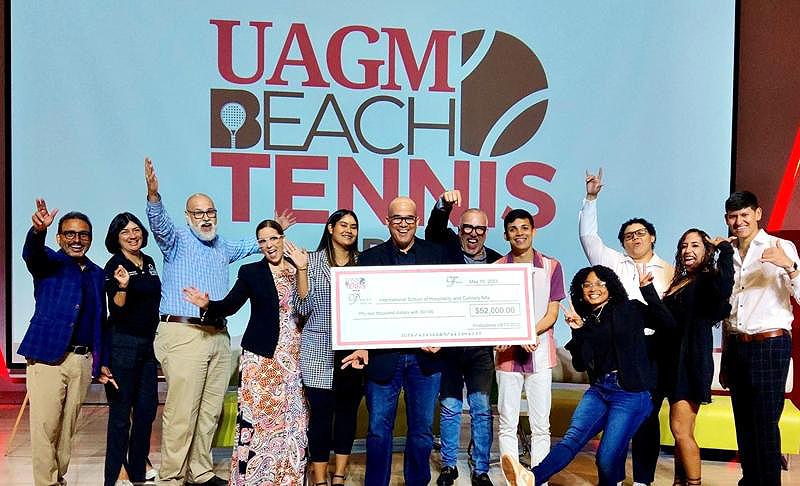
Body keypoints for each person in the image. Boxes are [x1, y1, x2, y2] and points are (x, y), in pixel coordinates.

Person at [144, 158, 293, 486]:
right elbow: (159, 225)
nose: (206, 217)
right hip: (183, 332)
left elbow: (257, 244)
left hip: (217, 334)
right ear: (188, 217)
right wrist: (154, 197)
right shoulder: (176, 240)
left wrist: (276, 230)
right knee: (183, 413)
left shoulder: (222, 245)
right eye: (199, 212)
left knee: (210, 411)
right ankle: (171, 478)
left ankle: (201, 472)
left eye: (210, 212)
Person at [500, 265, 677, 486]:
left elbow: (668, 325)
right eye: (587, 285)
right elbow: (581, 363)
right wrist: (579, 329)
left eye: (599, 283)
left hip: (631, 393)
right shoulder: (587, 321)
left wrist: (647, 289)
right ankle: (532, 477)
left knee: (606, 457)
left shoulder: (629, 308)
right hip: (599, 391)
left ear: (610, 286)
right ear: (580, 290)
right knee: (570, 440)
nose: (593, 288)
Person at [184, 219, 309, 485]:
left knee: (292, 419)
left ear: (282, 237)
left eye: (273, 238)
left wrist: (302, 269)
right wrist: (207, 304)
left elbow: (304, 305)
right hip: (261, 357)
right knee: (260, 421)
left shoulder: (300, 265)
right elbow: (230, 306)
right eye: (262, 241)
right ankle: (252, 478)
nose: (268, 245)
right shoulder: (251, 272)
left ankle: (287, 478)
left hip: (296, 354)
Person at [579, 169, 674, 486]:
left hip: (651, 352)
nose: (634, 239)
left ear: (652, 237)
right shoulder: (611, 263)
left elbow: (669, 319)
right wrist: (591, 198)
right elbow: (588, 238)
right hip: (615, 350)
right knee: (615, 420)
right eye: (628, 236)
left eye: (640, 234)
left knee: (646, 419)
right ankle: (615, 479)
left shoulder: (669, 271)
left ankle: (645, 480)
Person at [356, 196, 457, 486]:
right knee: (377, 430)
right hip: (382, 356)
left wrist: (443, 337)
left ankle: (417, 482)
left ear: (417, 221)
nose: (403, 224)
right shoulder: (369, 259)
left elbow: (450, 302)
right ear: (387, 221)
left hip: (426, 359)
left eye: (409, 218)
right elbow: (359, 308)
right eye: (397, 218)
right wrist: (361, 343)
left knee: (422, 431)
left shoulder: (436, 254)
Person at [19, 199, 114, 486]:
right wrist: (37, 232)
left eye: (83, 234)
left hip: (81, 361)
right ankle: (46, 482)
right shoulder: (49, 262)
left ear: (91, 238)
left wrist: (101, 362)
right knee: (45, 427)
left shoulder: (98, 273)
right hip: (48, 357)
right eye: (70, 234)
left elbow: (101, 320)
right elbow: (31, 254)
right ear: (59, 237)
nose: (77, 239)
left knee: (67, 428)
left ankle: (57, 477)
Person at [720, 191, 800, 486]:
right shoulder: (726, 253)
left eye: (744, 214)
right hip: (737, 344)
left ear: (758, 213)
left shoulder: (780, 246)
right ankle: (750, 481)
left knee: (764, 424)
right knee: (744, 424)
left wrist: (790, 267)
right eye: (732, 216)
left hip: (770, 343)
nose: (738, 221)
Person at [424, 189, 500, 486]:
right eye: (467, 228)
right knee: (451, 408)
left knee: (481, 409)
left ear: (485, 231)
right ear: (459, 230)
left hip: (481, 350)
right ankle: (448, 466)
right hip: (449, 347)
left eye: (479, 229)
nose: (473, 234)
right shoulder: (446, 250)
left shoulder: (497, 262)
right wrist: (443, 205)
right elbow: (433, 229)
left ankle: (480, 468)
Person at [293, 209, 364, 486]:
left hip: (353, 352)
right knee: (321, 417)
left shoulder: (363, 263)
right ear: (331, 228)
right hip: (317, 350)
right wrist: (301, 270)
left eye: (353, 226)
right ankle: (319, 477)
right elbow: (301, 308)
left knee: (347, 416)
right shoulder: (310, 261)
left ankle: (339, 475)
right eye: (343, 225)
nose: (349, 230)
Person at [493, 209, 564, 477]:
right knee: (507, 423)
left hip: (540, 352)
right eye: (513, 229)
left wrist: (528, 333)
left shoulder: (551, 266)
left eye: (524, 228)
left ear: (533, 231)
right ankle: (512, 479)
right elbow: (493, 312)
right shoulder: (497, 269)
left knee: (541, 425)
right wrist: (504, 337)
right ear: (506, 234)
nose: (519, 233)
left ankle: (538, 478)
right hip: (507, 356)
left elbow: (553, 312)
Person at [659, 229, 734, 485]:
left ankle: (693, 483)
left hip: (690, 362)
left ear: (706, 251)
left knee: (681, 430)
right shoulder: (681, 280)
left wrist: (725, 250)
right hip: (672, 363)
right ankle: (680, 482)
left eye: (695, 245)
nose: (687, 250)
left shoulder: (707, 279)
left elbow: (725, 289)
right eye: (683, 246)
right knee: (679, 430)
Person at [102, 213, 161, 486]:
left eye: (136, 230)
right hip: (122, 344)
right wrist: (123, 286)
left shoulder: (148, 262)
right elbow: (118, 306)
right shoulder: (115, 264)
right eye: (125, 231)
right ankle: (116, 473)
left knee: (147, 410)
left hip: (148, 346)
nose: (132, 235)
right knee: (120, 415)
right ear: (116, 237)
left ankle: (138, 468)